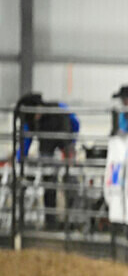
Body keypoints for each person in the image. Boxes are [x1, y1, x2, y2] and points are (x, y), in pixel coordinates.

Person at [16, 92, 80, 228]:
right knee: (49, 183)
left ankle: (71, 219)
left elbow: (74, 123)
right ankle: (52, 220)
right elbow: (26, 139)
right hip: (49, 147)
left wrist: (72, 143)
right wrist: (19, 157)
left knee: (70, 180)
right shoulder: (32, 118)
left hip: (64, 144)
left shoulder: (58, 108)